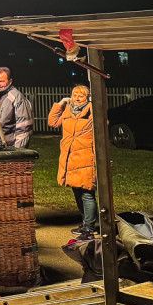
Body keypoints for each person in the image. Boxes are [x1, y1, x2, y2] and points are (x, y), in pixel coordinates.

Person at [49, 85, 97, 240]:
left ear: (88, 97)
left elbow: (103, 126)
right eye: (74, 95)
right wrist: (61, 103)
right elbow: (52, 122)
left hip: (85, 157)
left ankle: (90, 228)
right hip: (70, 156)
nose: (77, 98)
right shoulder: (67, 110)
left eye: (81, 96)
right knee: (77, 191)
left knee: (87, 193)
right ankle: (85, 223)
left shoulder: (92, 111)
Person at [0, 67, 33, 149]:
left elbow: (24, 129)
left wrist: (17, 152)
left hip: (6, 148)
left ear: (10, 81)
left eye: (1, 81)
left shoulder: (17, 98)